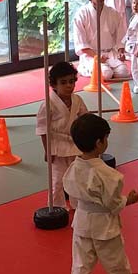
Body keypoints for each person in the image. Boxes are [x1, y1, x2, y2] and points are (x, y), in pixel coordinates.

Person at [63, 113, 138, 274]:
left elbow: (72, 197)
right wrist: (130, 199)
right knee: (117, 264)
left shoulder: (73, 169)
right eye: (106, 138)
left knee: (81, 266)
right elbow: (113, 204)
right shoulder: (109, 175)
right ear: (99, 142)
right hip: (105, 227)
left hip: (82, 222)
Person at [36, 62, 88, 209]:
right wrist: (48, 150)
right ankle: (56, 208)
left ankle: (78, 205)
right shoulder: (48, 104)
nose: (68, 86)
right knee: (57, 180)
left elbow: (85, 120)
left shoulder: (77, 100)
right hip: (57, 146)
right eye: (63, 82)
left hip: (75, 144)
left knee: (76, 177)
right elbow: (43, 130)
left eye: (71, 81)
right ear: (54, 84)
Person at [73, 0, 130, 80]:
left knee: (123, 72)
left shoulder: (113, 13)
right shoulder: (81, 14)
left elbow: (121, 36)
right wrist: (96, 56)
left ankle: (107, 68)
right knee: (106, 74)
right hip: (91, 55)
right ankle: (84, 67)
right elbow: (81, 43)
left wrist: (121, 52)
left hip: (110, 53)